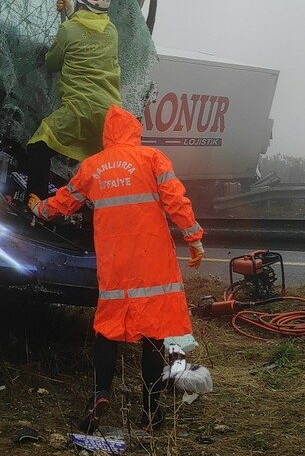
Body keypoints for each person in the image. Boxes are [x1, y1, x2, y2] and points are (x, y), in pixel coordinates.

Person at [30, 104, 205, 432]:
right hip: (151, 262)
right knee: (152, 335)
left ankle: (99, 394)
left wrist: (39, 208)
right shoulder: (152, 159)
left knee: (108, 329)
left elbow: (65, 200)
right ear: (134, 131)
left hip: (114, 265)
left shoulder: (92, 166)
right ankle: (151, 412)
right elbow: (176, 202)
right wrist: (194, 238)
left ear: (107, 135)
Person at [24, 0, 121, 207]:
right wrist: (72, 13)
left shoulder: (68, 29)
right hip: (111, 114)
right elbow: (90, 33)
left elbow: (52, 62)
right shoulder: (112, 31)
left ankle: (37, 208)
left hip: (79, 109)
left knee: (38, 146)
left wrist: (69, 19)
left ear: (81, 5)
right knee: (99, 165)